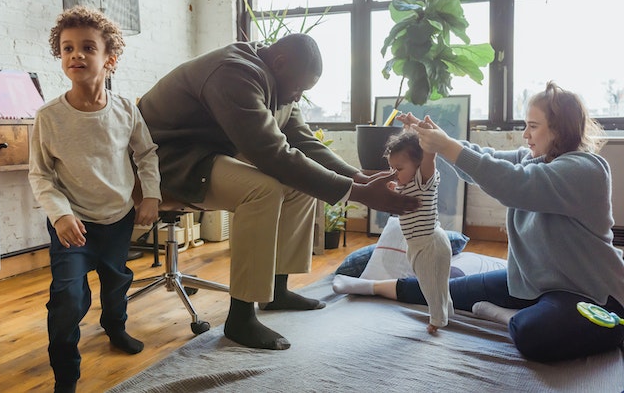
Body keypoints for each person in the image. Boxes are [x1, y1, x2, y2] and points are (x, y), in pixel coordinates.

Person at [137, 33, 420, 351]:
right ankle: (240, 318)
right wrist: (360, 194)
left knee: (300, 186)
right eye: (298, 88)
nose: (298, 97)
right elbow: (270, 153)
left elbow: (303, 140)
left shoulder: (279, 83)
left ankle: (276, 290)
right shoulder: (233, 73)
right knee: (263, 189)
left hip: (204, 154)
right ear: (280, 62)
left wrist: (358, 178)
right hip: (166, 161)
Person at [341, 81, 624, 363]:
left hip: (591, 294)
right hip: (533, 284)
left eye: (533, 126)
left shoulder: (586, 170)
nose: (525, 134)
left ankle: (509, 317)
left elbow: (513, 183)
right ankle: (371, 286)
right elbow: (485, 162)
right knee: (440, 290)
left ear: (560, 129)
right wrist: (435, 139)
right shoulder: (534, 159)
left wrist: (447, 146)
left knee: (532, 333)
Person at [28, 6, 161, 393]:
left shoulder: (125, 110)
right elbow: (40, 174)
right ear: (61, 56)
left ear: (110, 59)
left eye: (88, 47)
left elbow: (146, 153)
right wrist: (60, 215)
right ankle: (66, 375)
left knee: (116, 279)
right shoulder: (48, 117)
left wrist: (150, 194)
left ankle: (115, 326)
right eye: (67, 48)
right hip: (72, 224)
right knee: (68, 297)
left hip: (117, 218)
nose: (76, 55)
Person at [384, 126, 453, 333]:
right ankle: (447, 311)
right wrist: (392, 190)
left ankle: (437, 320)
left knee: (432, 287)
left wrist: (428, 144)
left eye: (399, 168)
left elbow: (429, 159)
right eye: (392, 169)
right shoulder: (405, 184)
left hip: (430, 244)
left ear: (418, 164)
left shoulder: (423, 180)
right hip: (418, 245)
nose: (394, 174)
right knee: (434, 284)